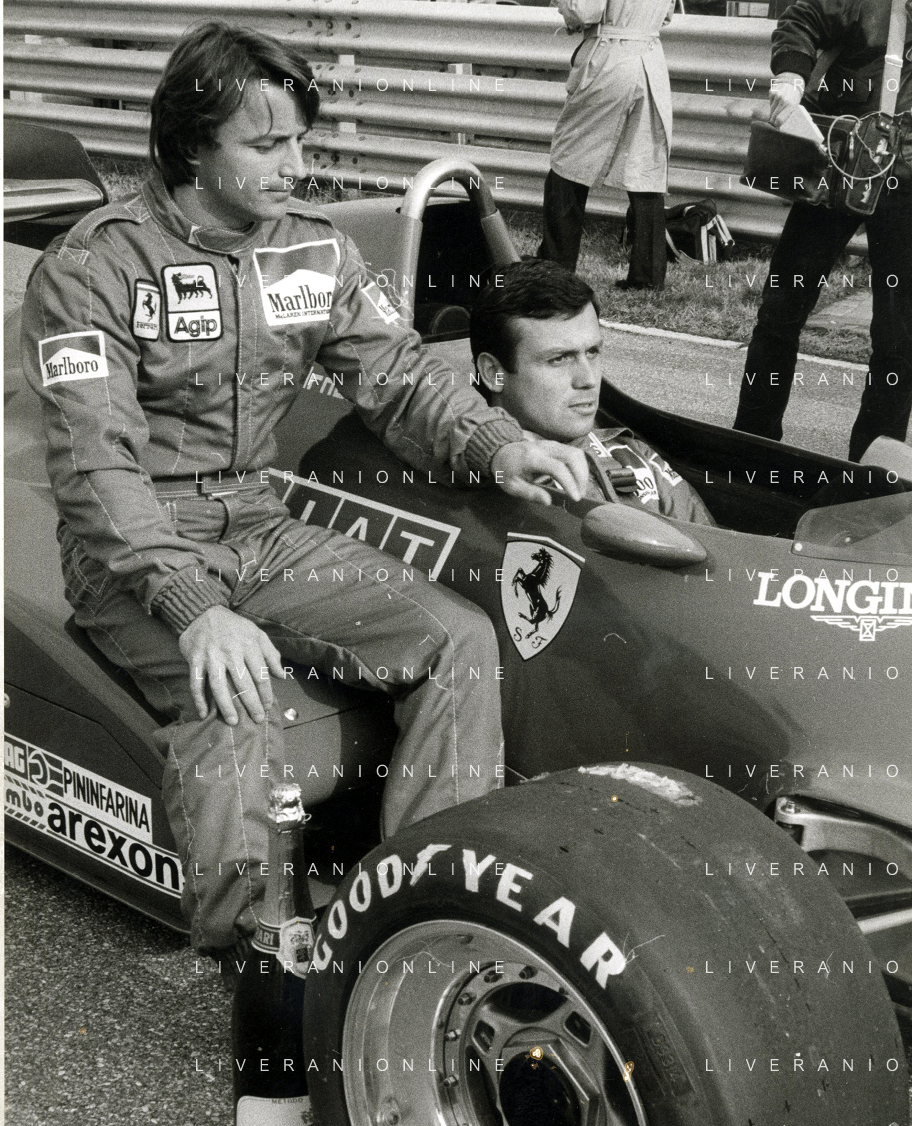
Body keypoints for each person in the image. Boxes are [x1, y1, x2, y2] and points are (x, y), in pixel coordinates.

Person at [20, 22, 589, 955]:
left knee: (458, 639)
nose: (297, 165)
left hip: (261, 524)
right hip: (132, 554)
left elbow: (398, 376)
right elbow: (95, 464)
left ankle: (422, 917)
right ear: (192, 148)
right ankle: (252, 952)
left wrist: (497, 446)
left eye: (301, 140)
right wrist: (194, 607)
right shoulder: (92, 267)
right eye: (267, 144)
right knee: (234, 695)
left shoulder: (313, 250)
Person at [733, 0, 912, 460]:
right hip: (842, 164)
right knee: (781, 310)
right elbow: (803, 16)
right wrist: (791, 77)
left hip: (908, 188)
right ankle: (751, 447)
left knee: (900, 340)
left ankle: (871, 472)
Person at [470, 260, 714, 523]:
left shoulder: (634, 456)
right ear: (493, 373)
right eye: (559, 359)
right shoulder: (475, 480)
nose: (588, 380)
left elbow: (715, 545)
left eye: (592, 352)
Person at [539, 0, 676, 290]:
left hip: (609, 56)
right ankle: (648, 276)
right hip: (650, 60)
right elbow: (666, 15)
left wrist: (566, 10)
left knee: (568, 161)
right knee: (645, 167)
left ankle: (555, 266)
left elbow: (584, 10)